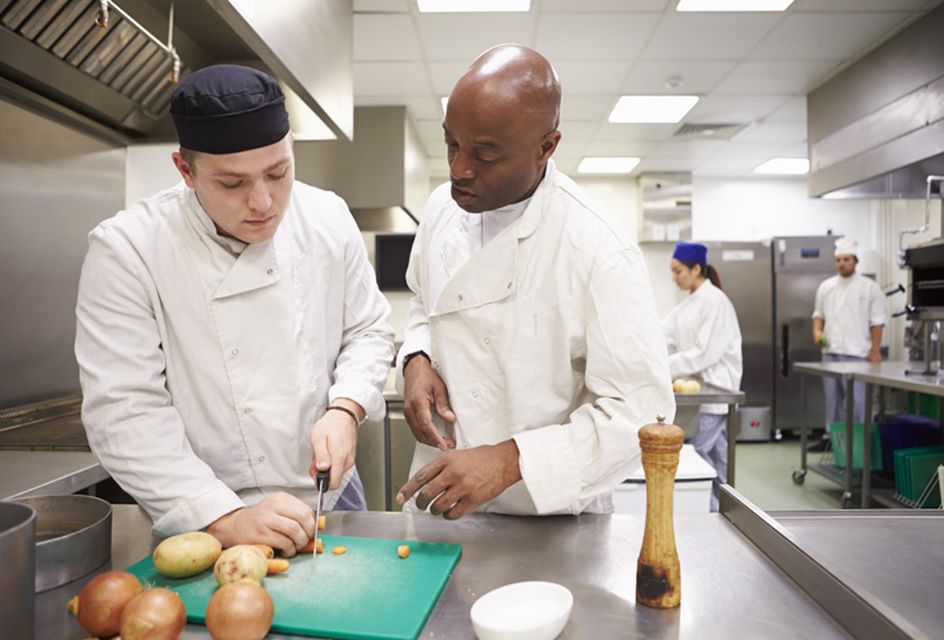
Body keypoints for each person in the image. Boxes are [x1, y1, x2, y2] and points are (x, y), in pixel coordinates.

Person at [75, 65, 395, 553]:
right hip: (205, 509)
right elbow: (124, 409)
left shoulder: (327, 218)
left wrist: (345, 408)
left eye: (278, 172)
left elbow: (369, 330)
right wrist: (222, 516)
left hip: (330, 496)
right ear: (186, 171)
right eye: (231, 184)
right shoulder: (129, 249)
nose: (263, 202)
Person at [394, 44, 674, 520]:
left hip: (550, 517)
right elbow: (424, 301)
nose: (459, 168)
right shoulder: (443, 208)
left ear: (546, 148)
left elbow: (640, 414)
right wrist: (416, 359)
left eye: (484, 154)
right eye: (451, 144)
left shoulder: (599, 249)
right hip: (439, 502)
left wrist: (510, 460)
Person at [662, 242, 742, 512]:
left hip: (716, 389)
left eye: (678, 271)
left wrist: (663, 366)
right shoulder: (687, 305)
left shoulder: (715, 301)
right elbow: (663, 335)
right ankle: (720, 512)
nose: (674, 278)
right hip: (699, 391)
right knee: (716, 459)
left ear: (696, 269)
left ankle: (709, 513)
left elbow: (703, 353)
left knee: (701, 457)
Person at [810, 237, 885, 451]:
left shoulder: (869, 288)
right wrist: (817, 331)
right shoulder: (826, 287)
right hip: (830, 353)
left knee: (859, 403)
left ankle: (861, 443)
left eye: (847, 259)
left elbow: (878, 321)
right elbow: (818, 315)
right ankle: (832, 440)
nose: (842, 263)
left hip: (858, 355)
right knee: (832, 401)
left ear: (856, 260)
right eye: (839, 260)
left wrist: (875, 351)